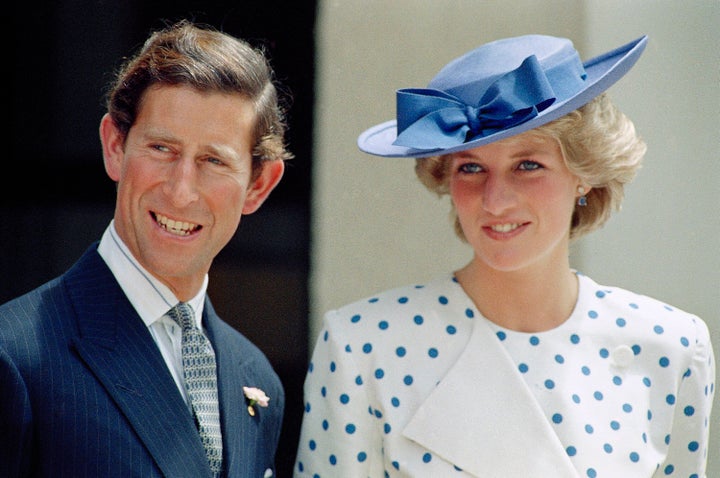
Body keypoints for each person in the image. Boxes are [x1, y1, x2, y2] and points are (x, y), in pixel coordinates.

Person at [294, 34, 715, 477]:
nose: (495, 201)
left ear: (584, 175)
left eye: (528, 165)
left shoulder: (672, 346)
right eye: (471, 168)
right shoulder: (362, 345)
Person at [0, 20, 292, 478]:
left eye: (213, 161)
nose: (180, 191)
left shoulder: (254, 377)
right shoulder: (14, 357)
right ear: (115, 146)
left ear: (259, 185)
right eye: (161, 148)